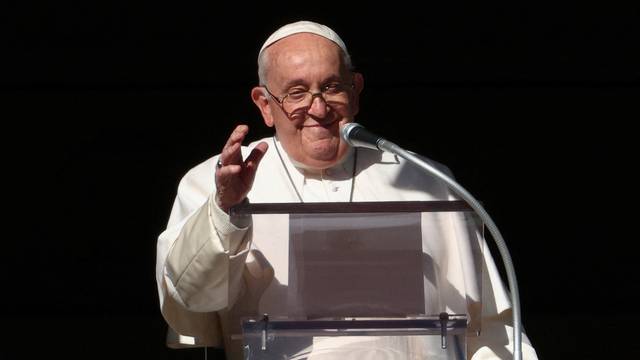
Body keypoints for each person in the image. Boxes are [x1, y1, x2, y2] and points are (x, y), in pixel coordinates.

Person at [156, 20, 538, 359]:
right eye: (296, 93)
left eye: (332, 87)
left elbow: (488, 329)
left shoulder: (426, 181)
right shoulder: (215, 180)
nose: (319, 109)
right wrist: (226, 209)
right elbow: (194, 297)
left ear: (355, 90)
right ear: (265, 104)